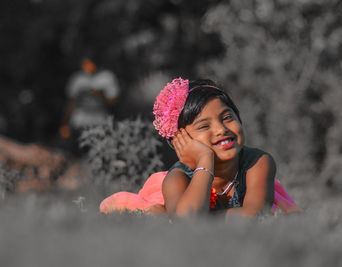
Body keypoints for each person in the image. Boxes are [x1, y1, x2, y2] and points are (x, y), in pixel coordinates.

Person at [100, 78, 299, 217]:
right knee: (157, 214)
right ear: (182, 139)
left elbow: (255, 214)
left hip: (200, 213)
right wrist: (204, 160)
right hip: (180, 199)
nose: (221, 129)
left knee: (284, 218)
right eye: (204, 126)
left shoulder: (257, 162)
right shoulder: (178, 177)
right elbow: (188, 223)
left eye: (228, 117)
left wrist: (205, 218)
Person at [59, 58, 120, 155]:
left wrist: (99, 95)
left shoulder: (106, 77)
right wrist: (65, 123)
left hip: (99, 120)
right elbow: (71, 103)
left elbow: (113, 102)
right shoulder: (77, 79)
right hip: (79, 121)